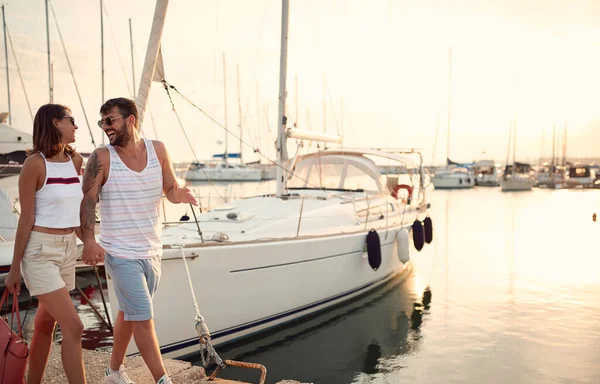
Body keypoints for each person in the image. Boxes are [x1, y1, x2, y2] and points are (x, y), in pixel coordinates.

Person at [80, 97, 197, 384]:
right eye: (102, 121)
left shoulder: (158, 150)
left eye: (110, 120)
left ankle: (113, 372)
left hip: (151, 248)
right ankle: (162, 380)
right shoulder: (101, 157)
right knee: (143, 317)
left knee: (129, 314)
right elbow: (88, 201)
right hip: (119, 251)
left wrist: (178, 194)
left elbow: (169, 187)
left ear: (130, 120)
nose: (105, 126)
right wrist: (89, 240)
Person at [4, 104, 86, 384]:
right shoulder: (35, 165)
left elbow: (75, 213)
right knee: (74, 327)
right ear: (54, 123)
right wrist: (15, 270)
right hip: (40, 251)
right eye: (70, 120)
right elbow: (26, 218)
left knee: (44, 325)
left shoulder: (75, 162)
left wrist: (88, 242)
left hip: (67, 249)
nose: (76, 126)